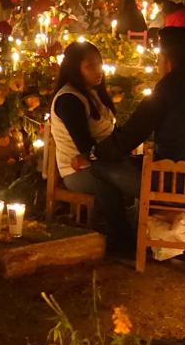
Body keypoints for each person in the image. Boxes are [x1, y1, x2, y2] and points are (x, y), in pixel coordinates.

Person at [91, 26, 185, 197]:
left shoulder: (167, 90)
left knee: (99, 167)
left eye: (159, 59)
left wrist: (94, 154)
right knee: (130, 161)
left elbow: (130, 135)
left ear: (169, 61)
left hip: (178, 183)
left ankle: (119, 224)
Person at [50, 41, 140, 256]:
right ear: (74, 68)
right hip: (78, 171)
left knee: (132, 165)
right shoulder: (69, 100)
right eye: (90, 65)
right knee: (106, 175)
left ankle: (133, 232)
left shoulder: (93, 93)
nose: (98, 69)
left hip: (102, 161)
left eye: (99, 63)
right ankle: (121, 240)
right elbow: (86, 148)